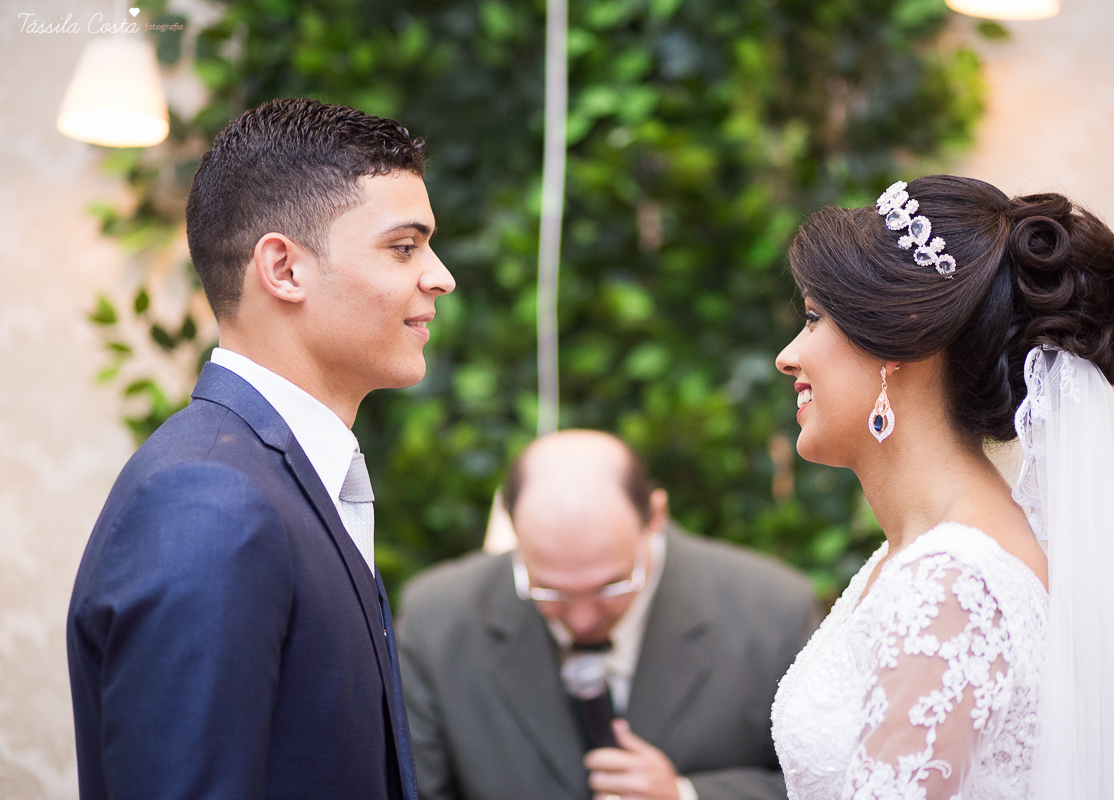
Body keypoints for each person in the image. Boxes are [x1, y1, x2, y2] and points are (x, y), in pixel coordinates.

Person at [66, 98, 455, 799]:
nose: (440, 276)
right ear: (284, 269)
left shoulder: (270, 478)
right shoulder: (209, 501)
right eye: (404, 247)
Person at [770, 175, 1114, 799]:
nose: (787, 356)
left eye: (813, 319)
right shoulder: (925, 552)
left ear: (899, 336)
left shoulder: (953, 585)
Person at [397, 429, 818, 800]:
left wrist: (685, 795)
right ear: (513, 529)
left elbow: (826, 788)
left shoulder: (772, 612)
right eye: (549, 590)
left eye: (611, 587)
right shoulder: (437, 622)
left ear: (655, 516)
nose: (581, 620)